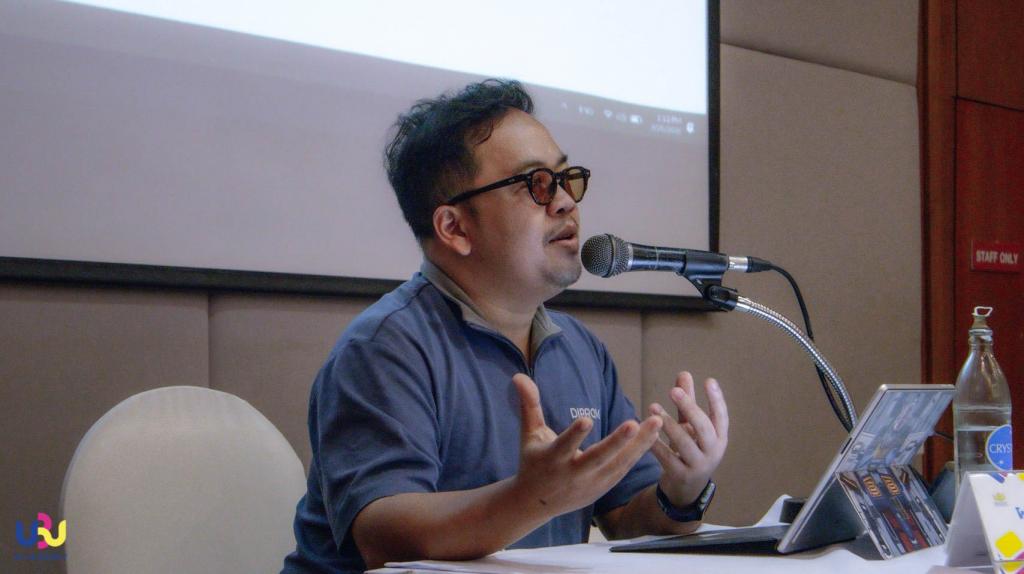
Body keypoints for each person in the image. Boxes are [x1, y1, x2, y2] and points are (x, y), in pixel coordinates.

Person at [281, 79, 729, 573]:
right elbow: (385, 539)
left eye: (565, 179)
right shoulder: (384, 348)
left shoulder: (581, 350)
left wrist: (680, 492)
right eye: (536, 184)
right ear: (455, 228)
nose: (566, 202)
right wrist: (529, 498)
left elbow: (626, 520)